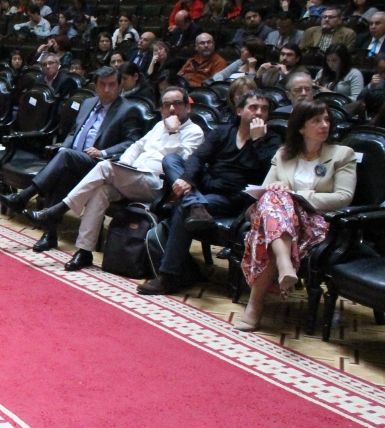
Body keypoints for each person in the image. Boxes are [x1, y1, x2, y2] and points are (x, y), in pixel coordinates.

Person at [34, 87, 204, 270]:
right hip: (133, 177)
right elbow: (136, 146)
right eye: (166, 105)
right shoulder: (158, 126)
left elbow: (181, 162)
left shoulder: (194, 132)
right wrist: (125, 165)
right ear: (161, 109)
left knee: (105, 167)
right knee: (100, 191)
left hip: (158, 185)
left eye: (177, 104)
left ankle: (60, 208)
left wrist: (174, 132)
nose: (171, 109)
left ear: (188, 107)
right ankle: (84, 251)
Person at [138, 91, 281, 295]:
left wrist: (258, 140)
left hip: (231, 197)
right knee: (171, 160)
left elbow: (269, 173)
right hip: (204, 188)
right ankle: (194, 204)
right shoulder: (223, 132)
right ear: (239, 111)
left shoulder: (271, 140)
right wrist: (187, 179)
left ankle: (168, 276)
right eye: (253, 107)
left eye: (264, 109)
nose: (259, 112)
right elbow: (198, 157)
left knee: (182, 208)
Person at [235, 101, 356, 331]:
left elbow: (344, 197)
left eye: (327, 120)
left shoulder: (342, 154)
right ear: (301, 127)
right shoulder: (283, 154)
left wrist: (296, 195)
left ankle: (255, 306)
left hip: (318, 222)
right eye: (316, 120)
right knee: (273, 198)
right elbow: (264, 191)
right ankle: (284, 265)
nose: (324, 125)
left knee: (273, 215)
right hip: (282, 220)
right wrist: (277, 189)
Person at [3, 67, 144, 251]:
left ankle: (24, 196)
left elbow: (132, 143)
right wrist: (64, 146)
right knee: (62, 170)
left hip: (99, 166)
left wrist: (103, 152)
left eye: (112, 85)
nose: (107, 89)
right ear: (96, 86)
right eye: (102, 84)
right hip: (74, 160)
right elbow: (73, 132)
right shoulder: (88, 103)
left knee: (64, 157)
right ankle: (49, 235)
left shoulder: (128, 110)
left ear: (119, 86)